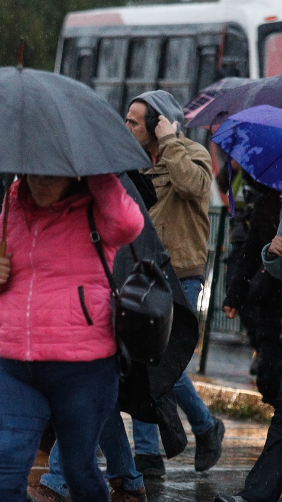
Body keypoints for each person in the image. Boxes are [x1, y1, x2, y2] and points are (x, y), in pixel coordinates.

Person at [0, 173, 143, 502]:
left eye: (52, 174)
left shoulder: (96, 205)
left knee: (80, 469)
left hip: (83, 364)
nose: (41, 182)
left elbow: (130, 224)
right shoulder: (13, 202)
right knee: (10, 462)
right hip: (17, 362)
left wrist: (100, 174)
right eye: (35, 172)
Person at [124, 90, 224, 476]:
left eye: (134, 121)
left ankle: (204, 425)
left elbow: (196, 187)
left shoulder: (189, 154)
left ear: (156, 124)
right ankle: (149, 452)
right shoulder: (131, 163)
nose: (127, 127)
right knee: (140, 361)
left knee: (160, 359)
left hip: (181, 274)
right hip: (141, 275)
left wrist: (169, 142)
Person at [214, 180, 282, 502]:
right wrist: (271, 255)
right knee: (274, 390)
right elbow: (258, 256)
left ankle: (257, 498)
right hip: (274, 312)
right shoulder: (271, 203)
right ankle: (257, 498)